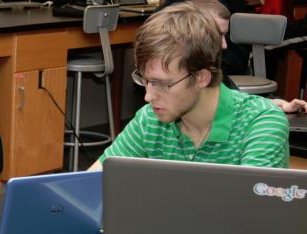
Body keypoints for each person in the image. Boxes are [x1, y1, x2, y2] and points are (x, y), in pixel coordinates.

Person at [89, 2, 289, 170]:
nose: (148, 97)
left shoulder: (260, 123)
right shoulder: (149, 120)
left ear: (201, 77)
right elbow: (88, 184)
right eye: (145, 80)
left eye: (162, 84)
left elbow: (252, 212)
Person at [164, 0, 307, 112]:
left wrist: (277, 104)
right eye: (217, 35)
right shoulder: (172, 76)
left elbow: (234, 99)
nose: (225, 45)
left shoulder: (210, 68)